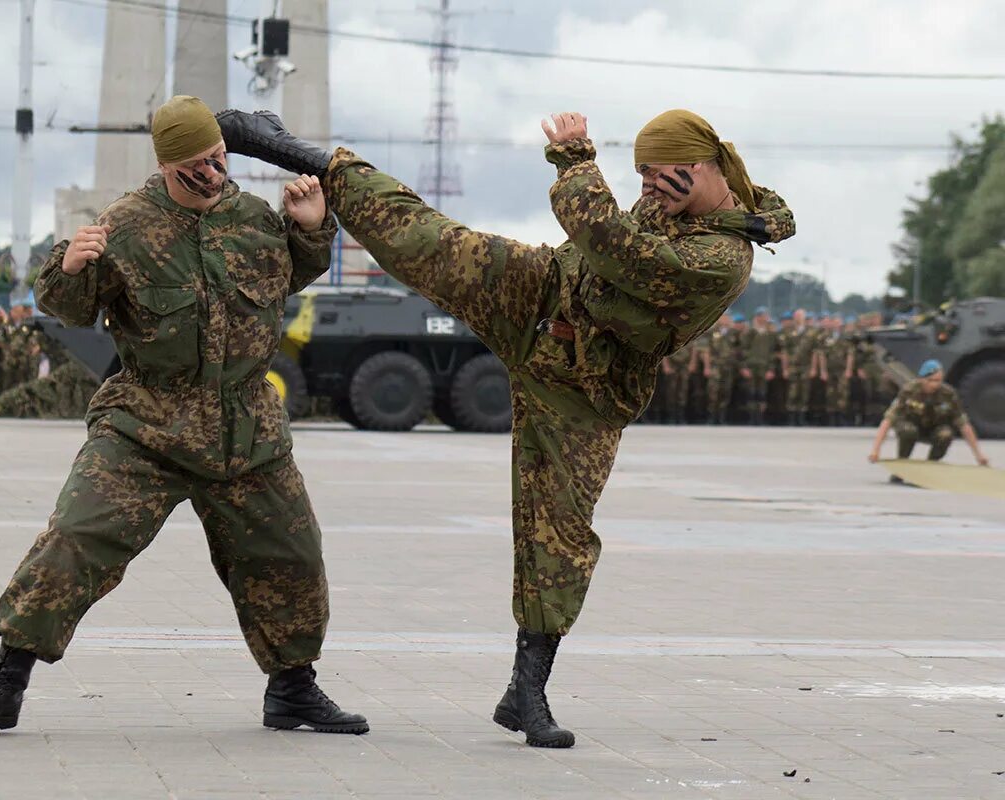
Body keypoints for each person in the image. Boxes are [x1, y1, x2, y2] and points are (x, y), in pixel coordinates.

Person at [218, 107, 795, 747]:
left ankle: (527, 692)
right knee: (422, 236)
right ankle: (278, 142)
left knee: (559, 531)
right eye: (643, 176)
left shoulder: (721, 255)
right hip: (541, 292)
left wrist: (577, 160)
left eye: (659, 175)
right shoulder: (688, 203)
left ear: (702, 167)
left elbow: (612, 246)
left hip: (585, 385)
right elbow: (597, 245)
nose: (649, 187)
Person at [0, 96, 366, 740]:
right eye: (198, 163)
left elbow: (288, 277)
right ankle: (6, 683)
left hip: (246, 427)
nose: (214, 171)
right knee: (75, 541)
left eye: (219, 157)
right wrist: (71, 266)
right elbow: (71, 307)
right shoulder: (126, 227)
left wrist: (310, 228)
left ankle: (293, 690)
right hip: (147, 424)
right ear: (170, 166)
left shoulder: (251, 217)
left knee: (290, 556)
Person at [868, 359, 989, 478]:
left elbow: (964, 425)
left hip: (934, 429)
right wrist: (876, 450)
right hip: (912, 426)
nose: (935, 384)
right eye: (930, 380)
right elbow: (889, 420)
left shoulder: (948, 394)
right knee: (907, 430)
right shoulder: (909, 391)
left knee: (945, 434)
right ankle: (902, 466)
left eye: (938, 381)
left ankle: (931, 466)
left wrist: (979, 455)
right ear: (921, 379)